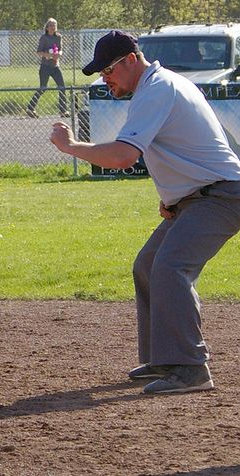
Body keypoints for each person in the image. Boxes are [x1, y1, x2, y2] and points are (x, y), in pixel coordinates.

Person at [49, 30, 240, 394]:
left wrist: (71, 146)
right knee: (149, 264)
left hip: (222, 196)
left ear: (131, 60)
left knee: (171, 266)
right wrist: (172, 196)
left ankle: (191, 368)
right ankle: (166, 358)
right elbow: (178, 149)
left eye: (107, 70)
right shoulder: (156, 87)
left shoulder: (158, 88)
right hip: (198, 197)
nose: (105, 79)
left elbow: (123, 156)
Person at [27, 18, 69, 119]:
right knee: (43, 88)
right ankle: (30, 108)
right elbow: (39, 52)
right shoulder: (44, 38)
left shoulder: (58, 37)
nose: (52, 27)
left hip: (55, 67)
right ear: (47, 27)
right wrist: (49, 55)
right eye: (50, 25)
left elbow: (60, 50)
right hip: (45, 66)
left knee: (62, 87)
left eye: (54, 25)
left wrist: (58, 54)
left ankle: (63, 111)